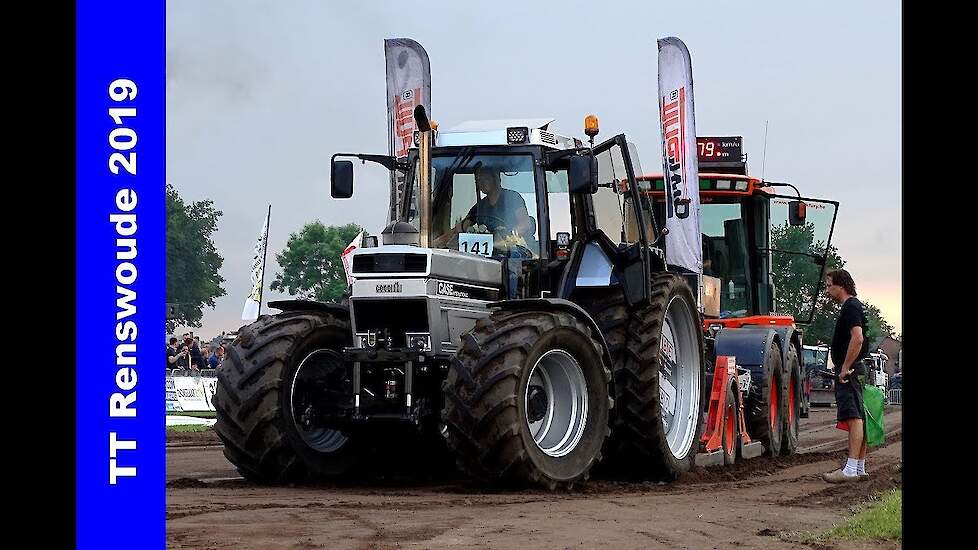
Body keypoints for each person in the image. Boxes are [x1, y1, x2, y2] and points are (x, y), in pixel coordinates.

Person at [822, 269, 871, 483]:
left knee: (853, 417)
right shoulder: (854, 306)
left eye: (829, 285)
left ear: (840, 285)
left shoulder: (850, 306)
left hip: (849, 370)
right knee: (859, 416)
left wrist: (844, 367)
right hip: (855, 369)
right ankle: (858, 467)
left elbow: (857, 338)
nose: (827, 290)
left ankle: (850, 469)